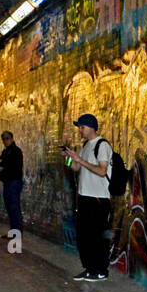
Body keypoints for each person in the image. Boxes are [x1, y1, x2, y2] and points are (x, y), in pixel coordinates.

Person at [62, 113, 112, 281]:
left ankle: (100, 270)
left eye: (82, 127)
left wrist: (80, 160)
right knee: (84, 236)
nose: (80, 131)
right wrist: (70, 159)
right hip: (84, 197)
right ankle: (89, 268)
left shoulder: (102, 145)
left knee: (95, 236)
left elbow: (102, 170)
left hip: (97, 198)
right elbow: (76, 168)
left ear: (91, 127)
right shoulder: (86, 146)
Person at [0, 130, 24, 238]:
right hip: (7, 183)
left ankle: (17, 233)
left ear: (12, 138)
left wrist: (1, 168)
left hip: (14, 182)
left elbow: (9, 166)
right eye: (3, 139)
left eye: (7, 138)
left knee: (14, 207)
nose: (5, 141)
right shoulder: (5, 152)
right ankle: (14, 232)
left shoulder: (16, 151)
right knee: (10, 208)